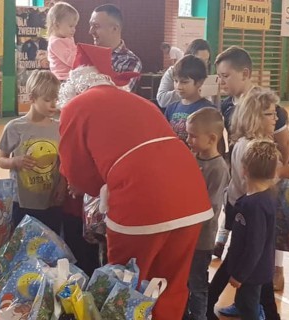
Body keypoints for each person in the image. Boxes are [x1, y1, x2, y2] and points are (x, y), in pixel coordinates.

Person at [57, 43, 212, 320]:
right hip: (191, 196)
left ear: (75, 84)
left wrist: (88, 187)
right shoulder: (141, 102)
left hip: (141, 200)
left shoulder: (75, 107)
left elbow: (76, 172)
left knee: (125, 286)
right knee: (171, 284)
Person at [208, 87, 289, 320]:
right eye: (270, 114)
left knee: (247, 259)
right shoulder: (252, 147)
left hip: (249, 206)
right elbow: (260, 178)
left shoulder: (256, 143)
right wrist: (283, 171)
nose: (276, 117)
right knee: (249, 259)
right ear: (255, 117)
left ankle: (216, 302)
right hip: (248, 209)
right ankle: (266, 313)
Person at [213, 46, 289, 292]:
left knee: (264, 234)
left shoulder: (266, 105)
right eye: (219, 76)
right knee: (243, 235)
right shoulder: (227, 106)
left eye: (226, 75)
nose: (221, 81)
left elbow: (285, 142)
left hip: (265, 180)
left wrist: (278, 174)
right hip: (241, 179)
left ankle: (273, 272)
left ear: (245, 73)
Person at [0, 70, 65, 235]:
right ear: (32, 98)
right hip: (22, 202)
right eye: (47, 100)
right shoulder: (15, 127)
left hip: (51, 201)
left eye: (56, 99)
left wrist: (62, 185)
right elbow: (1, 160)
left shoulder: (59, 127)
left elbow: (64, 162)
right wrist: (15, 161)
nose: (53, 105)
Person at [184, 107, 230, 320]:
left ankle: (200, 315)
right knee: (184, 279)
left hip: (201, 238)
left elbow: (211, 206)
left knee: (198, 282)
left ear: (212, 138)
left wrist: (191, 220)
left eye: (193, 136)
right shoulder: (193, 157)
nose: (188, 139)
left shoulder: (218, 167)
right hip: (186, 234)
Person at [226, 140, 279, 320]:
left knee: (249, 309)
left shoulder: (255, 205)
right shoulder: (261, 197)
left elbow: (254, 246)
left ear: (244, 170)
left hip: (251, 272)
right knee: (244, 303)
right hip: (254, 269)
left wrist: (240, 275)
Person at [89, 4, 142, 91]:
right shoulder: (86, 55)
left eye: (96, 26)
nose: (90, 31)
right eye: (90, 25)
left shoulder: (130, 61)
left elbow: (118, 95)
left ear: (114, 29)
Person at [164, 55, 215, 140]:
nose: (178, 86)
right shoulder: (171, 108)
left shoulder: (208, 110)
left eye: (184, 82)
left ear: (199, 82)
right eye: (176, 81)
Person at [157, 39, 213, 108]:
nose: (203, 65)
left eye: (206, 61)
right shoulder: (172, 71)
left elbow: (211, 104)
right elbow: (161, 100)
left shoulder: (206, 75)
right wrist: (185, 90)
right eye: (199, 60)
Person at [47, 1, 79, 81]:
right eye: (71, 26)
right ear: (57, 25)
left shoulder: (68, 37)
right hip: (62, 79)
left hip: (72, 76)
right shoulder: (56, 43)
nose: (74, 30)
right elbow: (71, 60)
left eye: (74, 26)